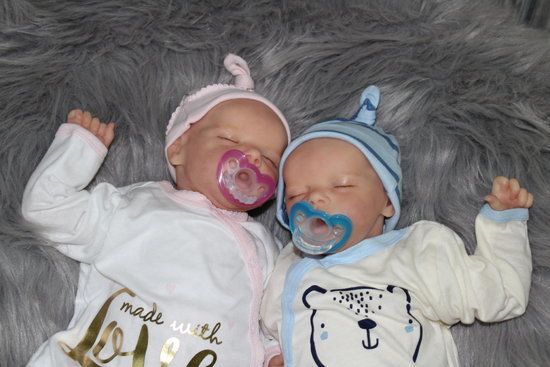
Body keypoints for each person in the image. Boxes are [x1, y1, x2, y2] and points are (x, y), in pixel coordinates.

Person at [21, 54, 291, 367]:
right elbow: (48, 207)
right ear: (178, 148)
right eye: (229, 138)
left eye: (270, 159)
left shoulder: (265, 246)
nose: (253, 157)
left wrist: (273, 351)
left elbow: (271, 315)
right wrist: (79, 150)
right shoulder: (137, 207)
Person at [260, 85, 533, 367]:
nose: (314, 198)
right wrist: (273, 353)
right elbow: (269, 326)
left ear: (387, 202)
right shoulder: (289, 264)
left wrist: (504, 224)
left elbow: (499, 292)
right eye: (295, 195)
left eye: (341, 185)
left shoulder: (417, 251)